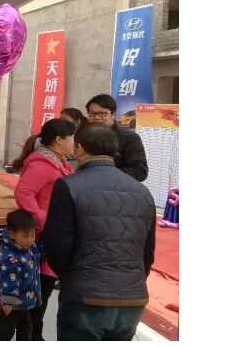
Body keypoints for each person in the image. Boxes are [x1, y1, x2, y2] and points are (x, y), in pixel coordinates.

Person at [43, 124, 156, 341]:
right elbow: (147, 251)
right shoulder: (142, 192)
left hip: (85, 298)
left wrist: (70, 279)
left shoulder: (68, 185)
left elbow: (58, 246)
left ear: (80, 148)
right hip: (132, 300)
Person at [12, 119, 75, 340]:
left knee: (41, 294)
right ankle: (31, 337)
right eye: (72, 137)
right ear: (59, 140)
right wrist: (42, 219)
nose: (75, 142)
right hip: (42, 239)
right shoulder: (42, 164)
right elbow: (23, 193)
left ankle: (33, 336)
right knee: (38, 296)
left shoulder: (59, 162)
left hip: (52, 236)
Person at [0, 209, 42, 341]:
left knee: (26, 329)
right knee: (5, 332)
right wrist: (8, 303)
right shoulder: (9, 257)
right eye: (25, 236)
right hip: (10, 303)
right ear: (12, 234)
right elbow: (8, 281)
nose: (29, 240)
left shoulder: (28, 248)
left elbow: (38, 253)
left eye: (32, 235)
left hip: (24, 300)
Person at [86, 94, 148, 181]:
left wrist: (104, 175)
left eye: (102, 113)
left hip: (117, 187)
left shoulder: (130, 138)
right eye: (92, 113)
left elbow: (140, 171)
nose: (97, 117)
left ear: (113, 114)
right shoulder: (84, 137)